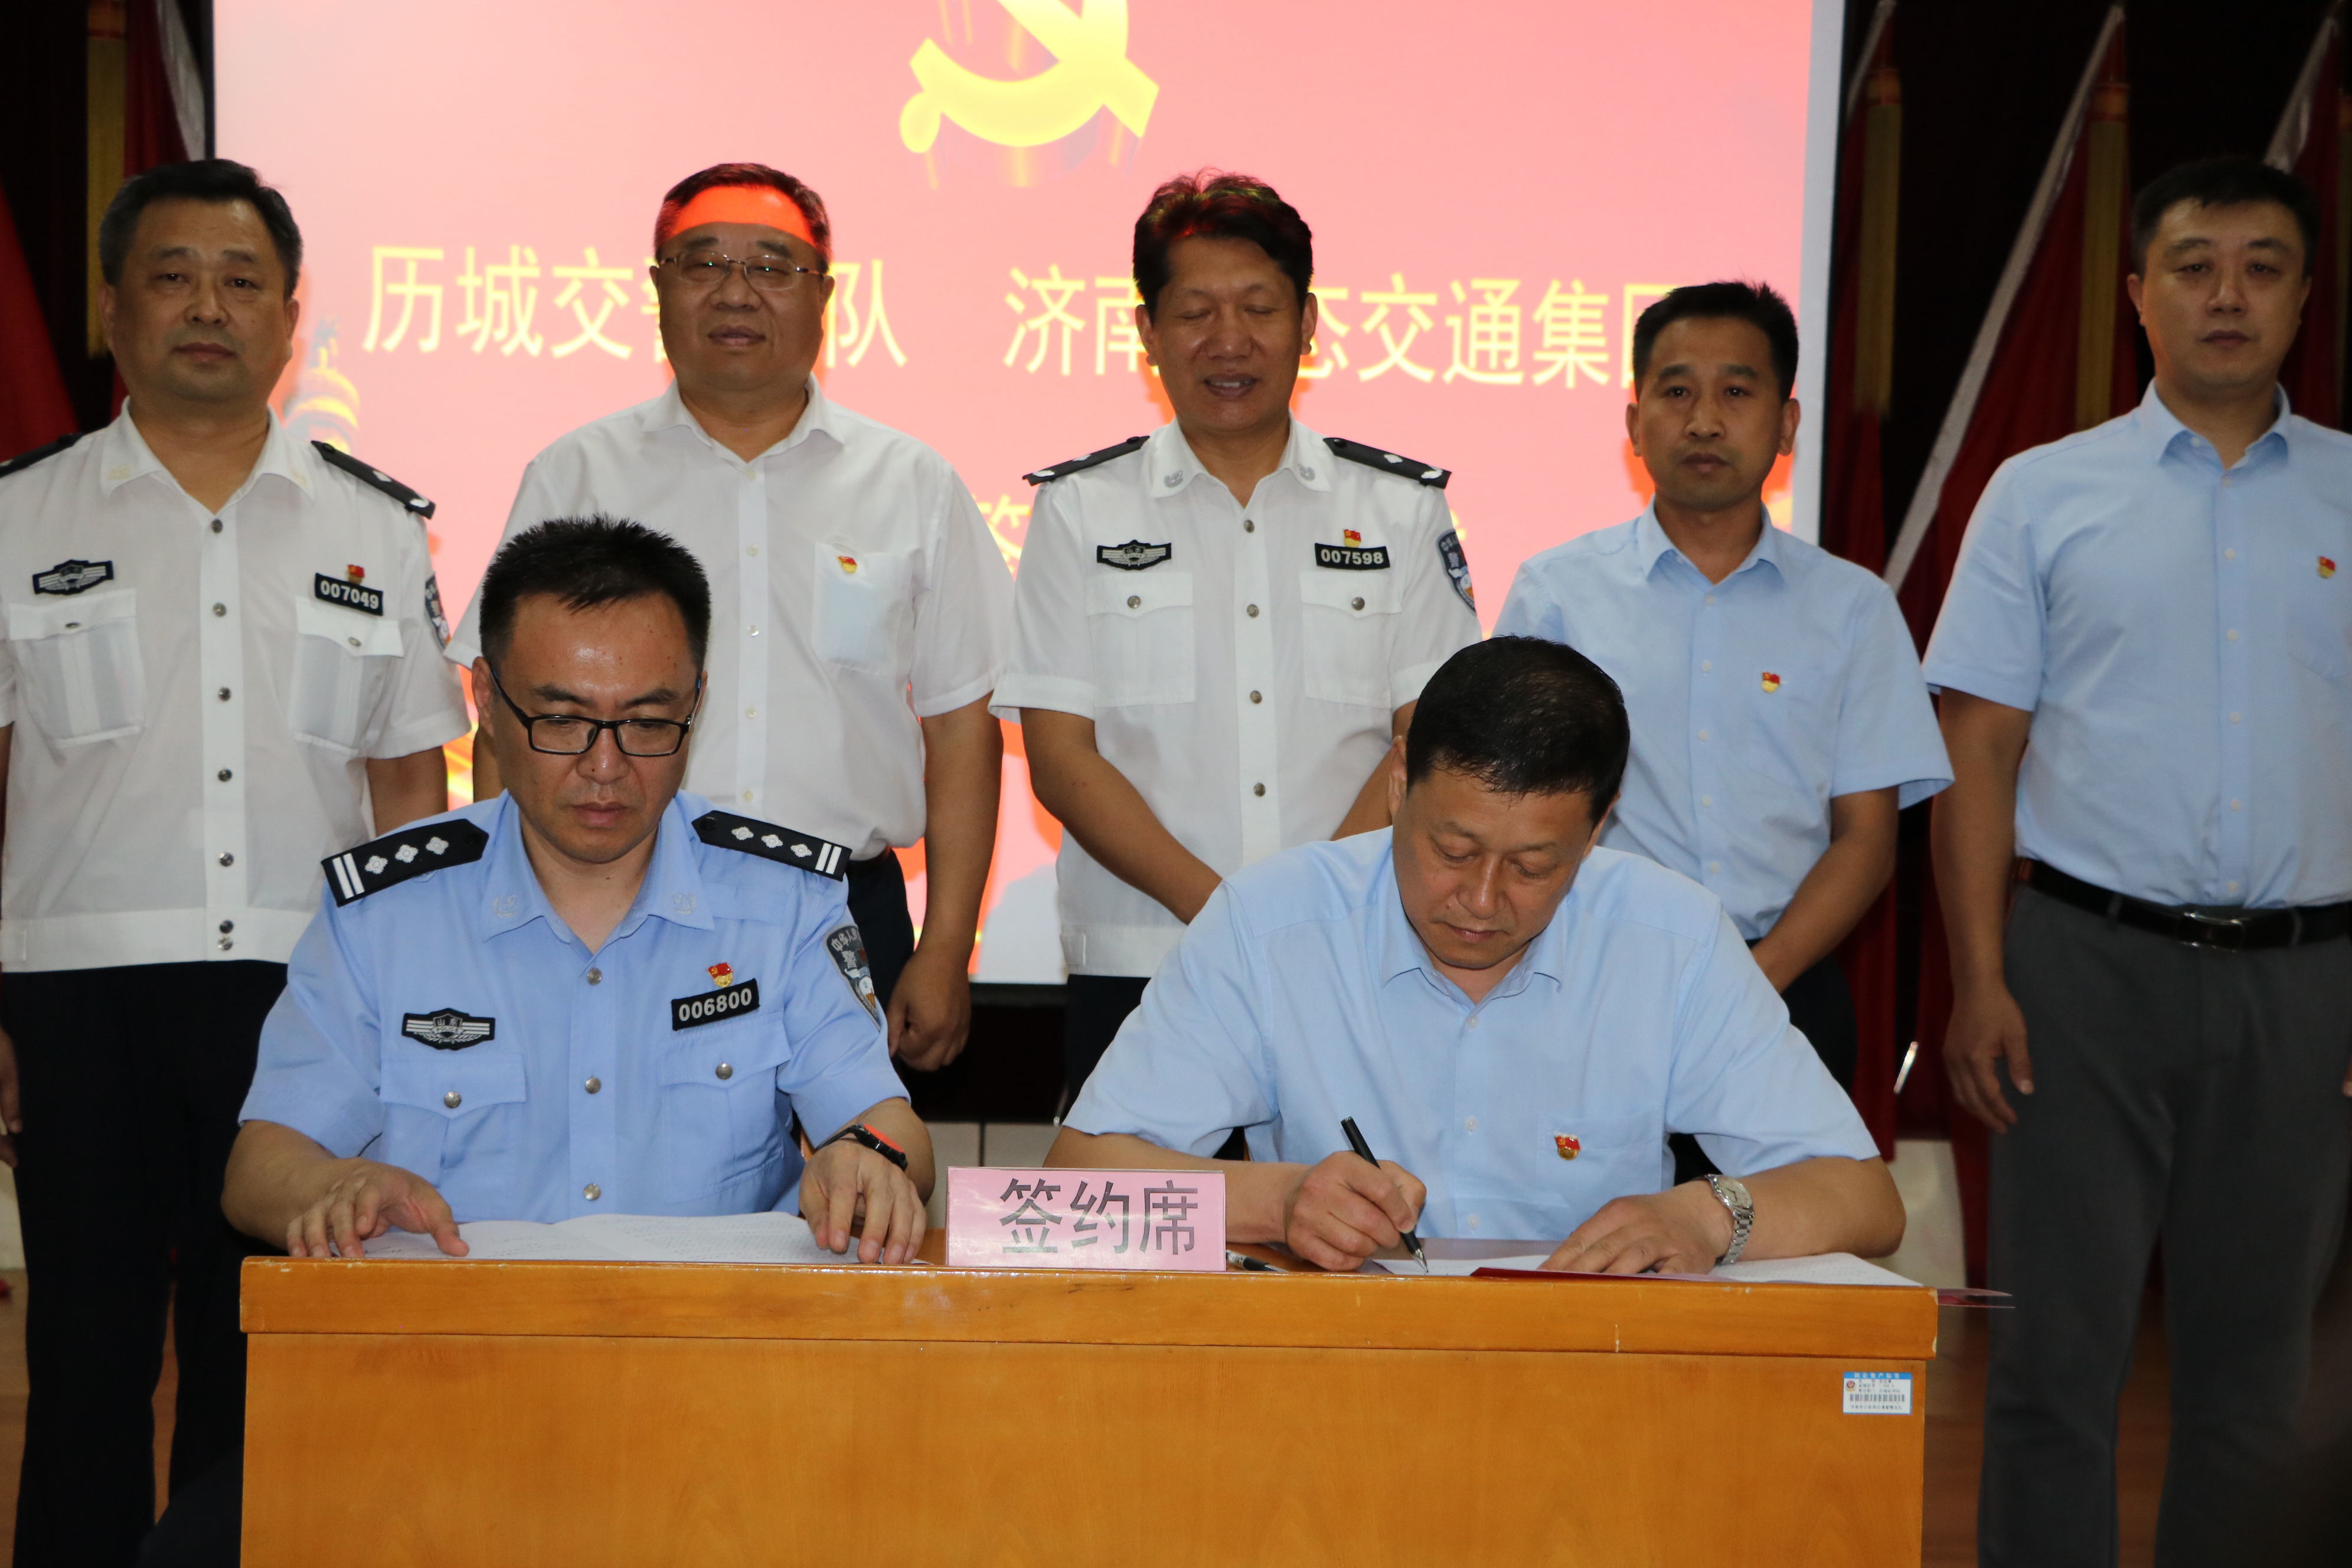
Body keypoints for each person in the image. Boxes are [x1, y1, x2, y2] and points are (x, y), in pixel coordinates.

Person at [0, 158, 466, 1568]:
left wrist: (413, 1011)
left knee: (261, 1350)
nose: (208, 306)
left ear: (289, 317)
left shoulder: (372, 525)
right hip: (75, 995)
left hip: (301, 997)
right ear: (112, 307)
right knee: (84, 1356)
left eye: (241, 280)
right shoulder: (21, 516)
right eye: (173, 276)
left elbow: (408, 792)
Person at [1925, 157, 2352, 1568]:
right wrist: (1980, 975)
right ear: (2137, 295)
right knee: (2055, 1363)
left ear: (2304, 295)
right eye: (2193, 265)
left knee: (2257, 1382)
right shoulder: (2043, 492)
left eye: (2262, 266)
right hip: (2080, 973)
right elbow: (1978, 747)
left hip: (2306, 981)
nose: (2228, 294)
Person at [1046, 638, 1903, 1275]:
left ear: (1597, 829)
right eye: (1452, 851)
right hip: (1342, 1373)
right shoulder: (1271, 923)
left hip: (1591, 1381)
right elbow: (1077, 1180)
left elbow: (1865, 1198)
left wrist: (1711, 1216)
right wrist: (1282, 1199)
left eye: (1533, 866)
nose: (1483, 901)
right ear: (1398, 787)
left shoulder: (1672, 938)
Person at [226, 517, 933, 1260]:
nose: (605, 765)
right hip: (455, 1323)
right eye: (562, 720)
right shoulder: (384, 914)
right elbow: (260, 1166)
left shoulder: (783, 902)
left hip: (712, 1322)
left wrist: (866, 1161)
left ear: (696, 703)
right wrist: (332, 1185)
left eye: (648, 722)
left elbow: (888, 1124)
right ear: (487, 699)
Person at [447, 163, 1010, 1074]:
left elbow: (961, 727)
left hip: (843, 909)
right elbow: (505, 724)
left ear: (825, 296)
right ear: (659, 287)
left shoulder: (912, 484)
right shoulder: (578, 474)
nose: (737, 292)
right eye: (703, 263)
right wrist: (505, 919)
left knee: (854, 1160)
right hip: (614, 905)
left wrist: (948, 946)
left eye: (774, 266)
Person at [999, 171, 1482, 1104]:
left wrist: (1308, 911)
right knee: (1138, 1196)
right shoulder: (1079, 511)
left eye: (1259, 309)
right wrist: (1231, 915)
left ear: (1309, 323)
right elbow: (1061, 759)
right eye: (1195, 313)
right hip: (1142, 958)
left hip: (1353, 952)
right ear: (1147, 333)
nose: (1229, 340)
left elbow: (1429, 741)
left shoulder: (1400, 510)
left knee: (1352, 1197)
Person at [1496, 281, 1948, 1180]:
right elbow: (1514, 808)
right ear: (1635, 424)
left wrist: (1756, 977)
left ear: (1787, 425)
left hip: (1787, 990)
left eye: (1737, 391)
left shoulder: (1852, 608)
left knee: (1777, 1248)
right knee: (1587, 1240)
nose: (1704, 419)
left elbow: (1866, 838)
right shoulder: (1559, 592)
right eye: (1676, 391)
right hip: (1592, 984)